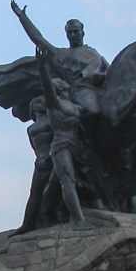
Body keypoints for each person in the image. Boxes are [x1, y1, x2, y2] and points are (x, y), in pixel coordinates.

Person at [12, 1, 109, 117]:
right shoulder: (60, 54)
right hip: (81, 90)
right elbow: (37, 38)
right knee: (92, 111)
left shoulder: (93, 53)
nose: (73, 35)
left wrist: (102, 76)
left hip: (102, 88)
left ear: (82, 33)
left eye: (76, 31)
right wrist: (22, 17)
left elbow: (112, 71)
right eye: (70, 32)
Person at [36, 48, 93, 230]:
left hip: (77, 147)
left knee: (54, 185)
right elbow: (46, 86)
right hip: (61, 146)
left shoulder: (76, 107)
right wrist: (42, 67)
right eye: (58, 82)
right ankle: (79, 221)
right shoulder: (55, 105)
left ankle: (44, 211)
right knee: (67, 180)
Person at [15, 96, 53, 235]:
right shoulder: (31, 128)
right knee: (35, 193)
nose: (39, 104)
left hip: (52, 160)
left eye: (42, 101)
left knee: (49, 191)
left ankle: (47, 217)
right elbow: (35, 148)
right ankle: (27, 224)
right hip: (41, 162)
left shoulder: (51, 121)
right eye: (37, 102)